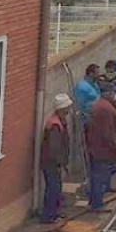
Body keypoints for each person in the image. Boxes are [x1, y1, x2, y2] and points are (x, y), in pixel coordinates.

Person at [85, 85, 116, 212]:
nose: (115, 95)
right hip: (103, 150)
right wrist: (114, 147)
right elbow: (107, 133)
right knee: (99, 177)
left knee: (97, 175)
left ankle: (94, 200)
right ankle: (97, 204)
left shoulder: (100, 106)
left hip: (96, 148)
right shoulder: (106, 110)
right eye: (113, 92)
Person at [39, 93, 72, 223]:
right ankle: (49, 216)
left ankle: (54, 213)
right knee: (53, 188)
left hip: (52, 163)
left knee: (55, 188)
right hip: (51, 163)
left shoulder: (58, 122)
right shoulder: (55, 126)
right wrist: (60, 163)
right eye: (67, 107)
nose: (69, 110)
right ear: (62, 109)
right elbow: (54, 148)